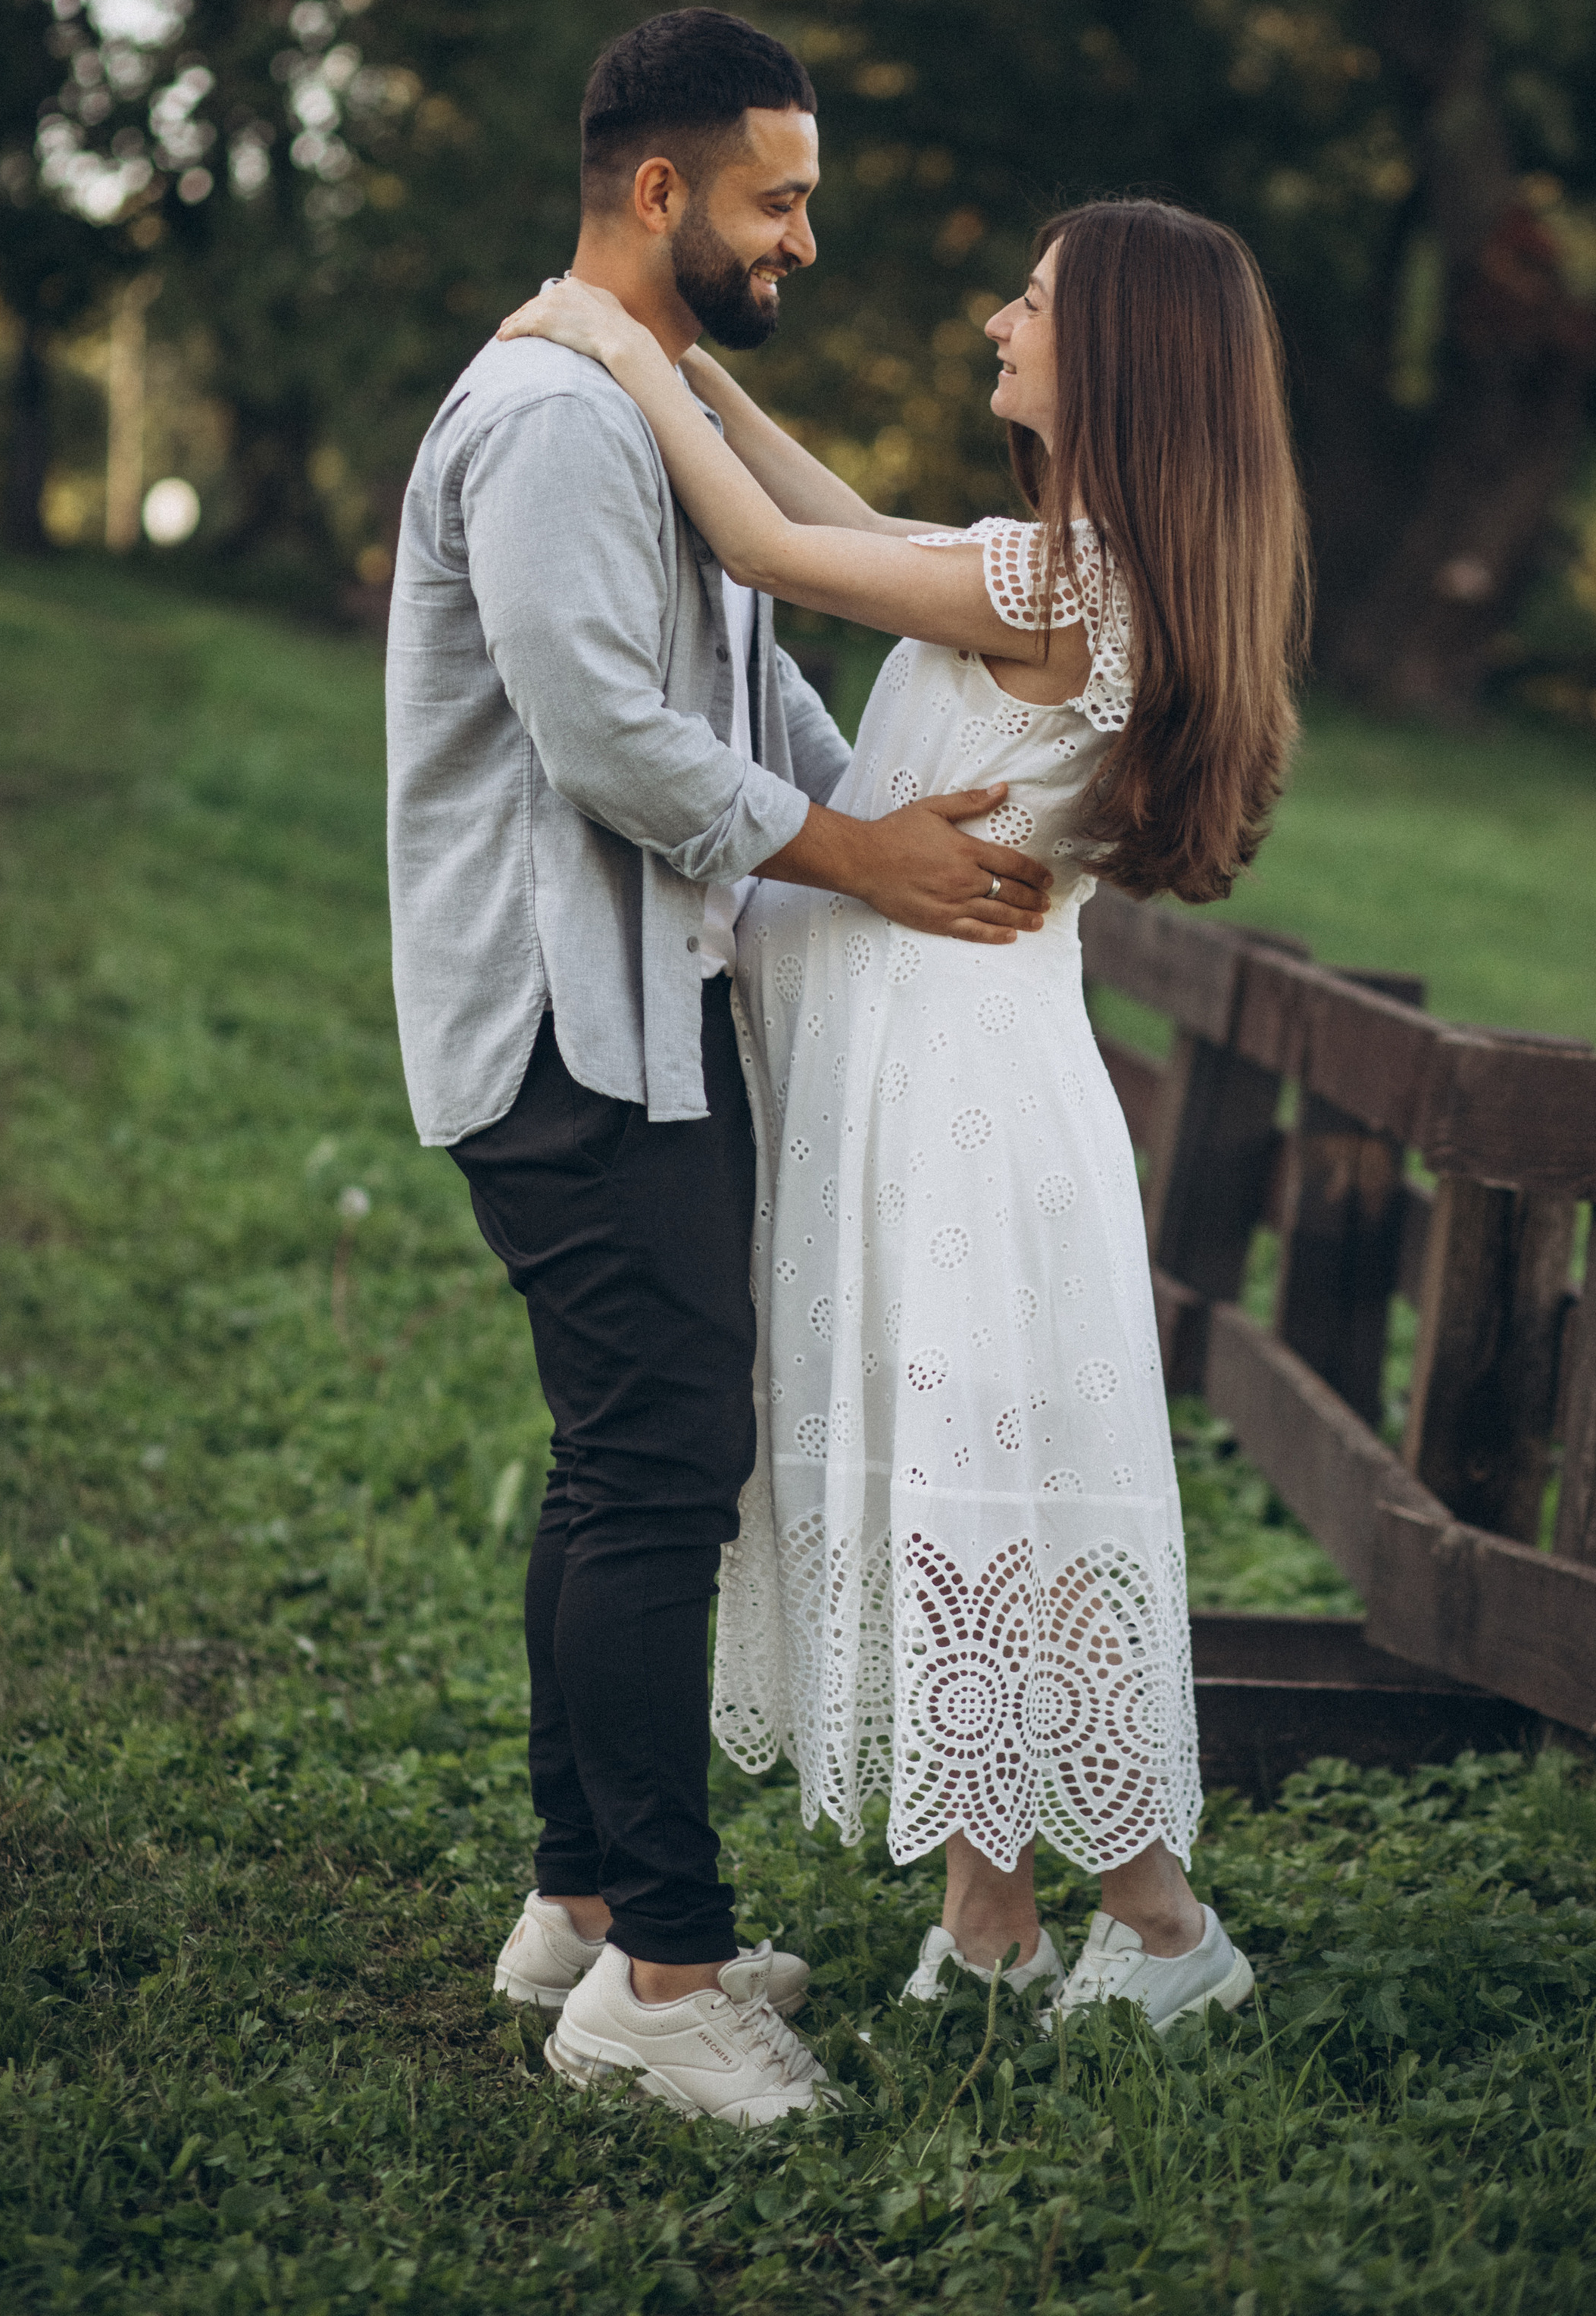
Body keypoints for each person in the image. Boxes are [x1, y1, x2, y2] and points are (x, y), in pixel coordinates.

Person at [500, 195, 1309, 2038]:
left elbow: (777, 550)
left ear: (1114, 357)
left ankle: (1164, 1931)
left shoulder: (1063, 586)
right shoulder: (1076, 567)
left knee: (977, 1493)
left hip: (953, 1106)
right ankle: (997, 1922)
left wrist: (621, 348)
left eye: (1025, 303)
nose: (990, 322)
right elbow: (856, 533)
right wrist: (691, 358)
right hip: (955, 1081)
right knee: (969, 1489)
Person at [384, 8, 1053, 2130]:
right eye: (782, 198)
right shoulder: (561, 422)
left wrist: (888, 836)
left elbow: (751, 689)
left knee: (627, 1460)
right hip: (568, 1031)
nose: (807, 238)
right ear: (661, 190)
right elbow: (605, 737)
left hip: (648, 1023)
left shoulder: (631, 400)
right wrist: (862, 855)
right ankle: (668, 1977)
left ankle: (583, 1908)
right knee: (657, 1473)